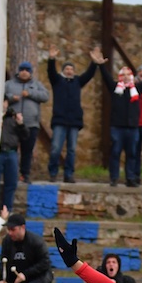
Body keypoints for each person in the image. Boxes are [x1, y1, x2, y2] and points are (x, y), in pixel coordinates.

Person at [92, 47, 142, 187]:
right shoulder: (115, 88)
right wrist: (100, 65)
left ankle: (130, 178)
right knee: (115, 152)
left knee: (132, 154)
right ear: (120, 77)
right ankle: (114, 178)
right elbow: (106, 77)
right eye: (123, 74)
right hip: (117, 126)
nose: (125, 77)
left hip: (132, 127)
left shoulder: (137, 89)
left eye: (128, 74)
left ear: (131, 77)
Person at [46, 45, 98, 183]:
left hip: (74, 121)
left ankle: (69, 174)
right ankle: (53, 172)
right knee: (56, 148)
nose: (69, 71)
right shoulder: (57, 81)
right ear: (63, 71)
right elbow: (51, 72)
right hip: (59, 120)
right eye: (67, 69)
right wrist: (51, 59)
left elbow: (89, 75)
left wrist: (94, 62)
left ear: (74, 72)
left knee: (72, 150)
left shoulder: (77, 82)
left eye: (71, 69)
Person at [4, 61, 50, 183]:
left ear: (30, 73)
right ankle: (10, 174)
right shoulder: (9, 84)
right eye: (22, 70)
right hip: (12, 124)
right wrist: (11, 98)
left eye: (27, 70)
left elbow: (45, 96)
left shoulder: (37, 84)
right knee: (10, 150)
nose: (24, 72)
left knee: (27, 151)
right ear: (18, 71)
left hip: (31, 124)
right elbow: (1, 95)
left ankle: (25, 174)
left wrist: (30, 93)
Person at [0, 100, 29, 211]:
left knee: (11, 183)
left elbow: (25, 136)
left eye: (4, 102)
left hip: (11, 152)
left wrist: (21, 124)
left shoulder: (12, 119)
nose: (3, 105)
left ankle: (7, 209)